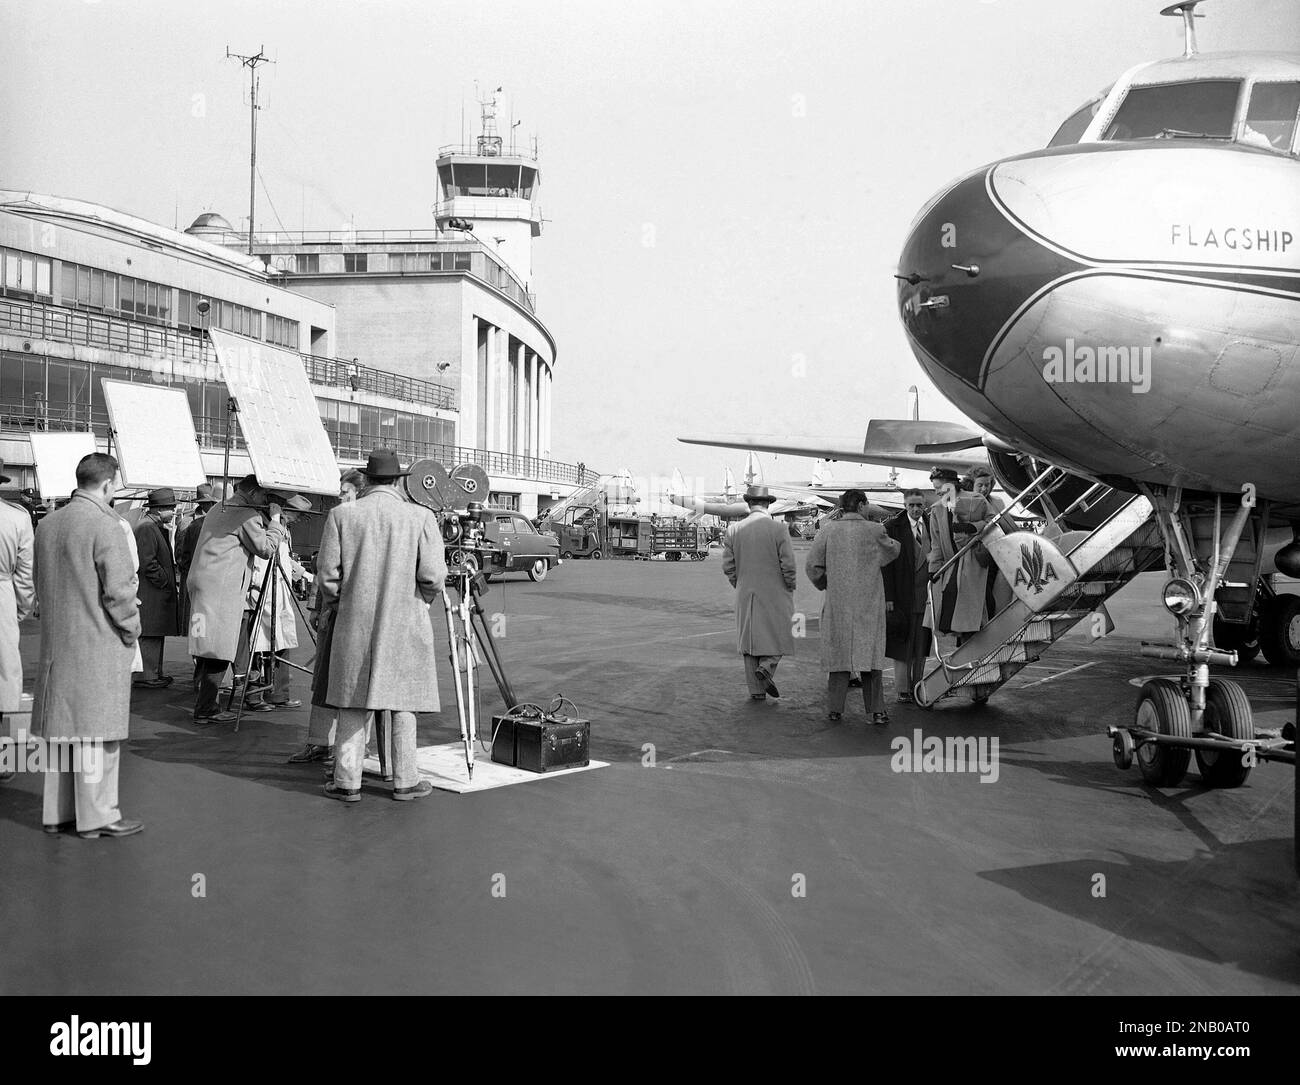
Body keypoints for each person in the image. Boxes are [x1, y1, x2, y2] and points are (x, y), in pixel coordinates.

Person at [316, 448, 445, 802]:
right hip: (404, 622)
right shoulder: (420, 516)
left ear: (368, 480)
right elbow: (433, 576)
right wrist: (419, 603)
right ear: (398, 481)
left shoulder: (342, 515)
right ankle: (406, 780)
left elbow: (327, 577)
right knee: (404, 701)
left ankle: (347, 782)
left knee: (351, 702)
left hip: (353, 622)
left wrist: (342, 605)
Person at [30, 453, 143, 837]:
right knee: (98, 733)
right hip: (98, 642)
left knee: (61, 731)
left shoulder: (48, 524)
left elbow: (37, 585)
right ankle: (98, 816)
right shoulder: (107, 525)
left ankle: (57, 813)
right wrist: (132, 629)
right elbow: (119, 593)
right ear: (109, 484)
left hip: (57, 643)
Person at [186, 474, 287, 724]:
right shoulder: (246, 514)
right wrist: (275, 522)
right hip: (221, 589)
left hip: (202, 584)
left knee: (203, 644)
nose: (265, 501)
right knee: (217, 648)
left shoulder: (220, 508)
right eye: (264, 496)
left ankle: (205, 701)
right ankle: (206, 708)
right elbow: (265, 548)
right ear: (253, 493)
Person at [289, 469, 365, 763]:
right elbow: (324, 566)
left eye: (345, 491)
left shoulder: (364, 520)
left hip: (352, 615)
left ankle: (353, 747)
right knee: (322, 681)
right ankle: (320, 742)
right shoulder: (338, 518)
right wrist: (316, 607)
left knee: (352, 684)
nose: (340, 497)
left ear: (359, 491)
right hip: (331, 612)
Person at [806, 489, 901, 723]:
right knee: (871, 658)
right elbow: (893, 549)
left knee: (838, 657)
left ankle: (835, 709)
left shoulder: (828, 530)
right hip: (868, 604)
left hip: (838, 603)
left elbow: (812, 567)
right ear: (860, 505)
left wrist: (829, 584)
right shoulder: (875, 530)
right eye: (866, 504)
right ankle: (877, 711)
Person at [722, 484, 796, 701]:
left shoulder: (734, 530)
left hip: (746, 592)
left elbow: (728, 566)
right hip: (776, 592)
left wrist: (740, 583)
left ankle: (756, 691)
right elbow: (788, 564)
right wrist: (789, 585)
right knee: (782, 633)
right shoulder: (778, 529)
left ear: (748, 503)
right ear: (768, 504)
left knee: (750, 642)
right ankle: (767, 666)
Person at [246, 492, 313, 711]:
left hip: (279, 591)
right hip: (262, 591)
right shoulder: (267, 526)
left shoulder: (283, 530)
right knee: (258, 644)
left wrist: (303, 573)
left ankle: (279, 693)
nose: (300, 520)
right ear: (286, 510)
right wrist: (255, 586)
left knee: (282, 642)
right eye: (299, 515)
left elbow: (284, 558)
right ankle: (254, 696)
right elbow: (261, 556)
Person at [925, 466, 993, 647]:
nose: (937, 491)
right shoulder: (937, 509)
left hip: (973, 563)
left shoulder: (976, 500)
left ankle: (974, 648)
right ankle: (965, 651)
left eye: (939, 487)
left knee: (970, 614)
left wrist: (974, 527)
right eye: (935, 488)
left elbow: (994, 522)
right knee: (955, 616)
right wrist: (933, 568)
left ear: (951, 485)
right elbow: (936, 543)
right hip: (950, 565)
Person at [0, 460, 35, 784]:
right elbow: (25, 576)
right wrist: (21, 610)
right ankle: (4, 755)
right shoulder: (16, 517)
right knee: (7, 678)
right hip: (2, 596)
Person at [883, 489, 933, 704]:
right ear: (904, 505)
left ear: (924, 506)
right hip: (902, 594)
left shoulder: (932, 526)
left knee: (921, 644)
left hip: (926, 596)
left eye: (919, 505)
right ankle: (903, 688)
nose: (915, 509)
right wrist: (889, 597)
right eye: (911, 505)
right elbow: (886, 566)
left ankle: (917, 685)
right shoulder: (892, 527)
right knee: (903, 642)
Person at [132, 487, 180, 689]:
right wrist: (164, 580)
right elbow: (147, 562)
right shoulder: (147, 528)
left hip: (155, 592)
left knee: (155, 632)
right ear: (160, 510)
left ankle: (153, 673)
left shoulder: (153, 526)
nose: (174, 511)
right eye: (171, 508)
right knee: (150, 633)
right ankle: (147, 676)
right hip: (152, 592)